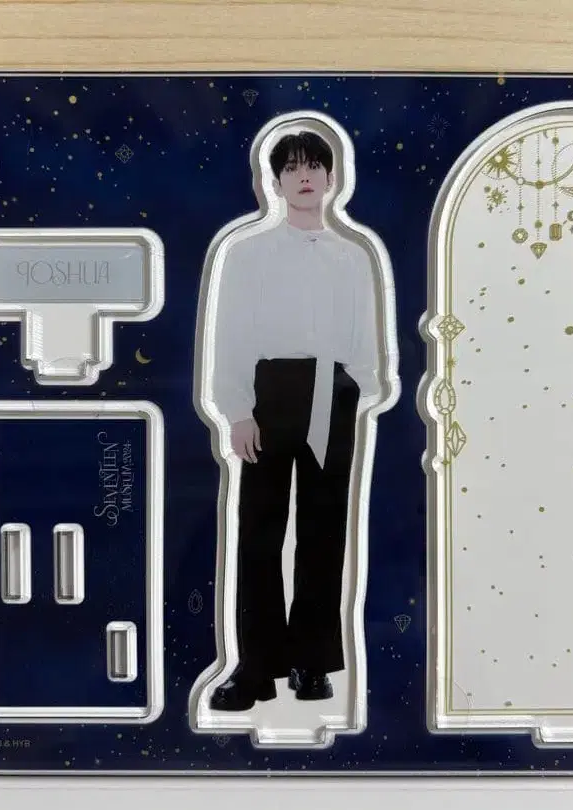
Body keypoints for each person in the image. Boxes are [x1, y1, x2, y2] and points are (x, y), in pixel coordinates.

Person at [209, 130, 381, 711]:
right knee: (259, 531)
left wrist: (360, 388)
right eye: (292, 168)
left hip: (333, 389)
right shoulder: (249, 254)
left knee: (323, 532)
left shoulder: (351, 256)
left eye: (314, 167)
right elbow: (232, 331)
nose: (304, 176)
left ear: (332, 178)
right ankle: (255, 668)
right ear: (275, 182)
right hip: (270, 391)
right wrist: (237, 409)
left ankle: (311, 662)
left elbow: (365, 332)